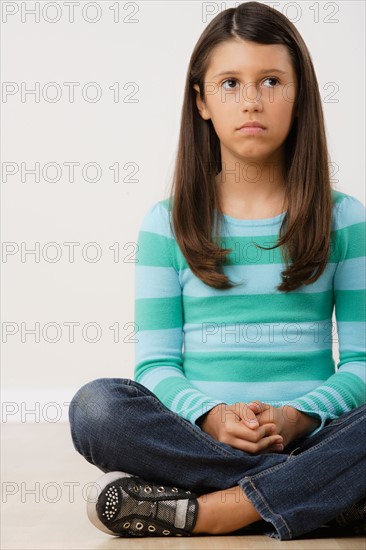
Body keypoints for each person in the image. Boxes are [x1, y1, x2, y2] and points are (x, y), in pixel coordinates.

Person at [68, 1, 366, 541]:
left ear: (299, 98)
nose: (251, 100)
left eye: (272, 81)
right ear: (201, 101)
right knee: (96, 408)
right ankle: (323, 495)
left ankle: (216, 510)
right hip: (201, 441)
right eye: (230, 83)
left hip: (315, 435)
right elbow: (156, 365)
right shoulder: (167, 224)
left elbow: (365, 362)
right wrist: (210, 416)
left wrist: (298, 416)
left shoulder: (344, 218)